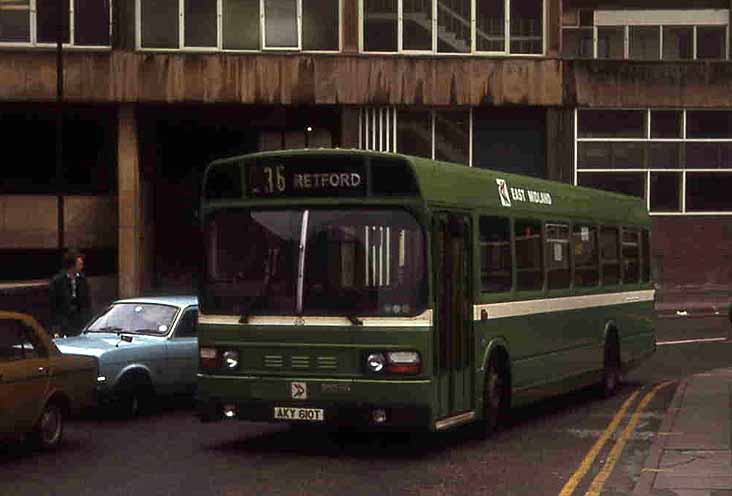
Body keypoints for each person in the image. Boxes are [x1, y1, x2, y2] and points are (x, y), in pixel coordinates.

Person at [49, 250, 90, 338]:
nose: (82, 267)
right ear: (72, 265)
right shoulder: (58, 281)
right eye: (79, 264)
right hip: (63, 319)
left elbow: (87, 300)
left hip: (79, 319)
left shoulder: (82, 279)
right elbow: (53, 303)